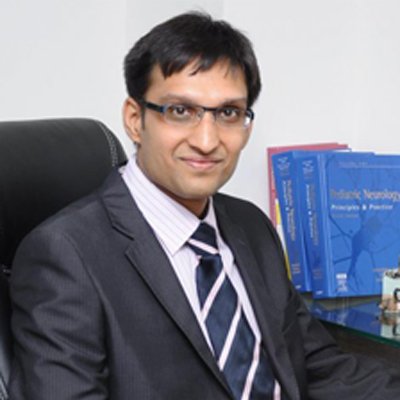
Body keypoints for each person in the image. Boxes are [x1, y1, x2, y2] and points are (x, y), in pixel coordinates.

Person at [8, 11, 400, 400]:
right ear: (134, 119)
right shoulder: (66, 254)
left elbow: (321, 368)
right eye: (180, 111)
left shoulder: (251, 225)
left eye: (228, 113)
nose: (207, 141)